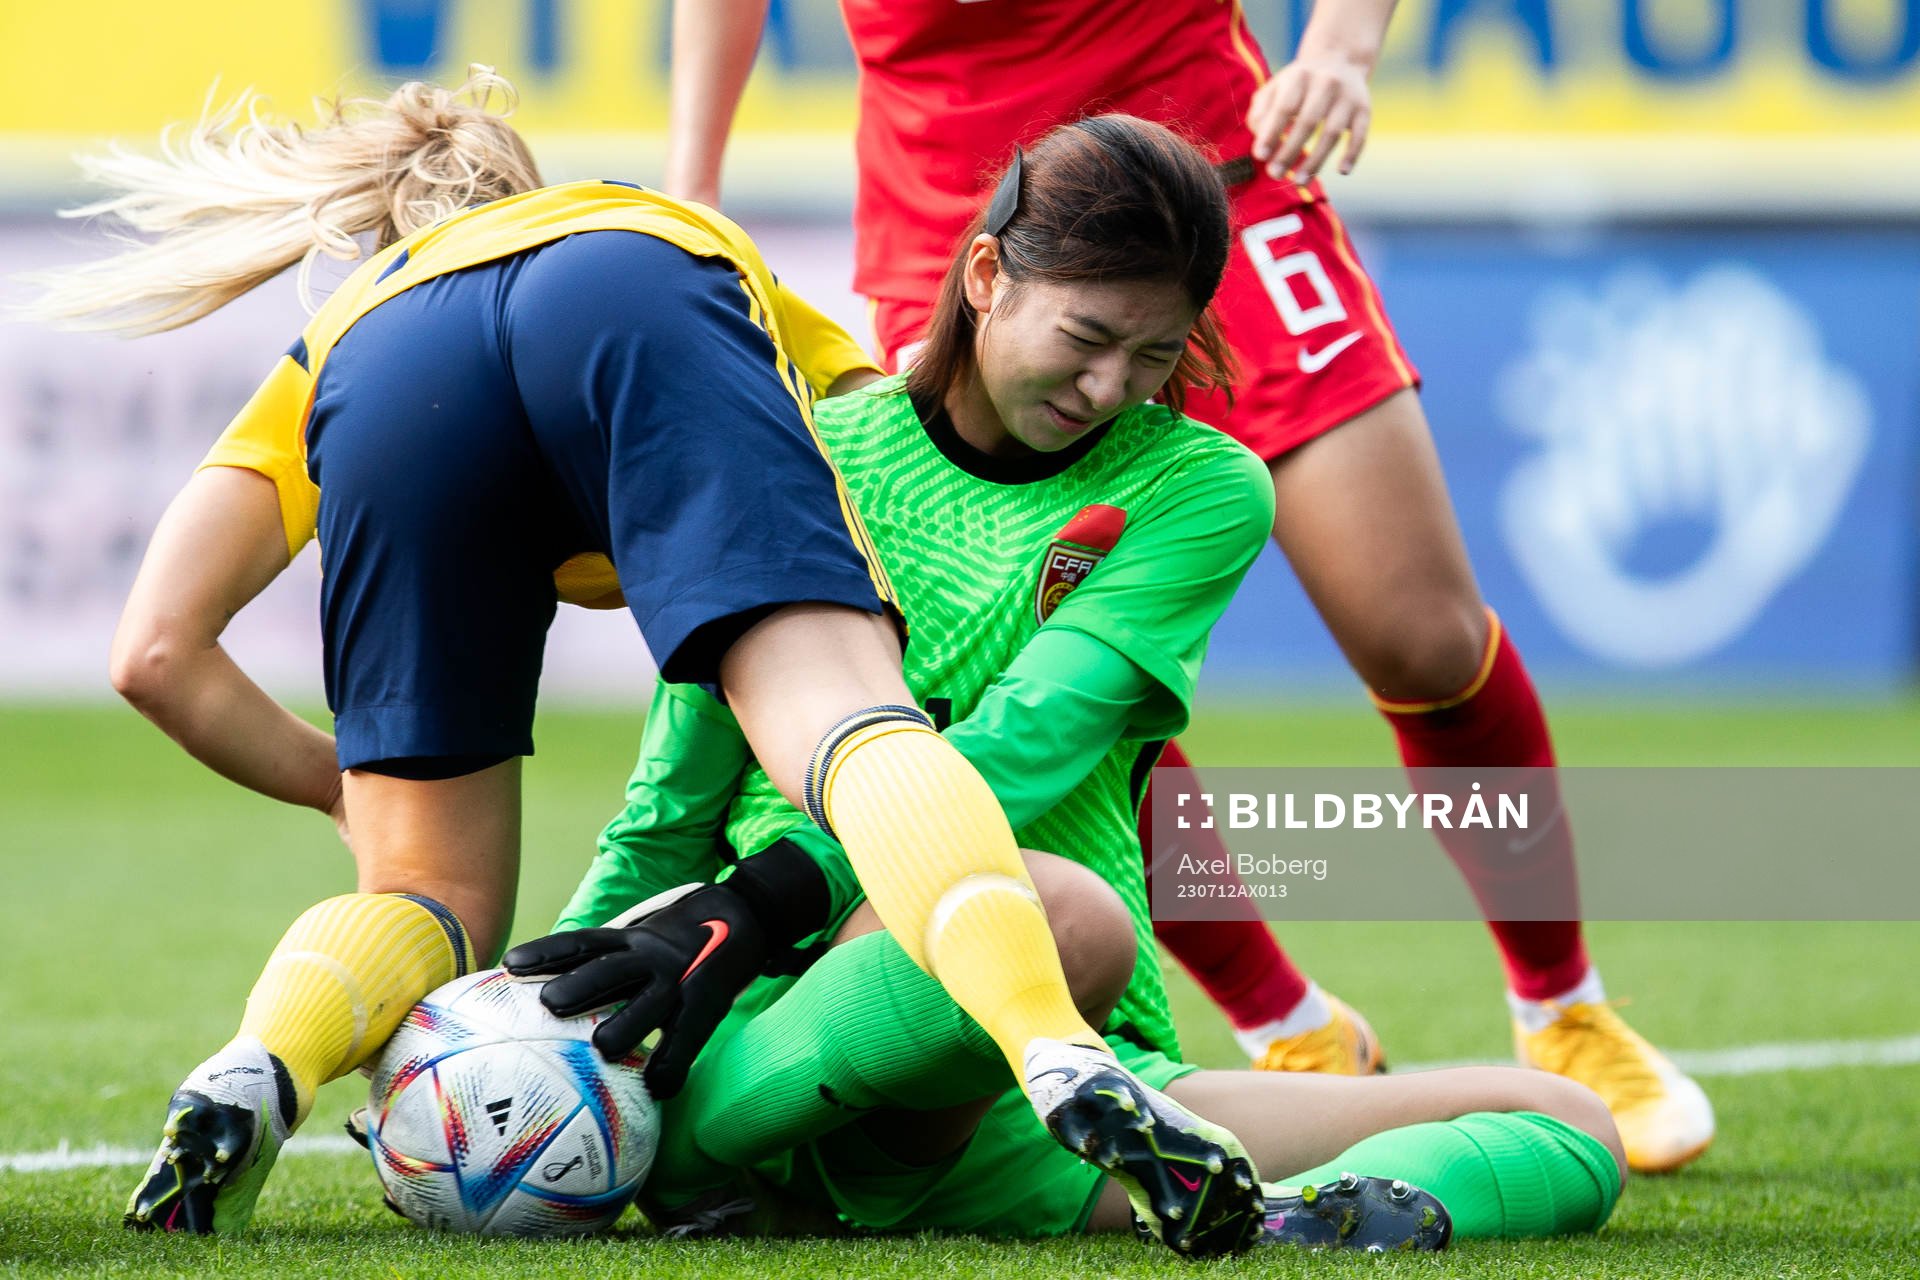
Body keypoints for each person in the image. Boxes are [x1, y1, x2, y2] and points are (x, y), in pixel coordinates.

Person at [27, 71, 1259, 1253]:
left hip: (399, 389)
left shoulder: (358, 321)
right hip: (636, 296)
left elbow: (155, 653)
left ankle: (264, 1059)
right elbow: (876, 484)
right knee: (848, 724)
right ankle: (1053, 1043)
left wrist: (347, 794)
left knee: (433, 893)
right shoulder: (647, 237)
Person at [505, 116, 1627, 1250]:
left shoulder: (1200, 485)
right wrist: (535, 1020)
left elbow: (1026, 738)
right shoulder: (807, 454)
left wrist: (769, 893)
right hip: (783, 1006)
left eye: (1153, 356)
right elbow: (672, 802)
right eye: (1088, 336)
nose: (1107, 387)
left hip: (1059, 1067)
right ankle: (721, 1154)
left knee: (1568, 1122)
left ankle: (1284, 1222)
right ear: (986, 275)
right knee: (1061, 913)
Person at [663, 0, 1713, 1172]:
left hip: (1209, 167)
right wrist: (695, 191)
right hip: (951, 204)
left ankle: (1564, 1002)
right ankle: (1287, 1023)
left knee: (1419, 632)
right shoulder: (965, 303)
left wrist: (1340, 50)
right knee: (1046, 684)